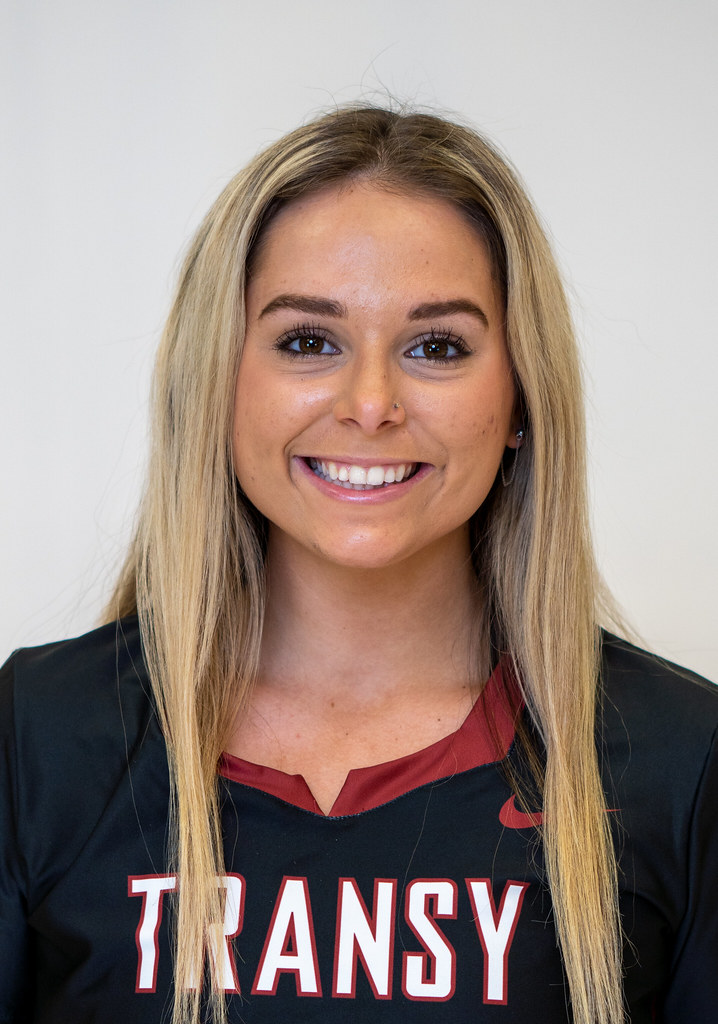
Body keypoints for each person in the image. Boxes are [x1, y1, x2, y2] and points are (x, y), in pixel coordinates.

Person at [1, 106, 716, 1024]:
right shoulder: (40, 739)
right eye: (308, 341)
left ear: (522, 397)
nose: (371, 403)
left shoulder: (679, 761)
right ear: (217, 379)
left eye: (436, 347)